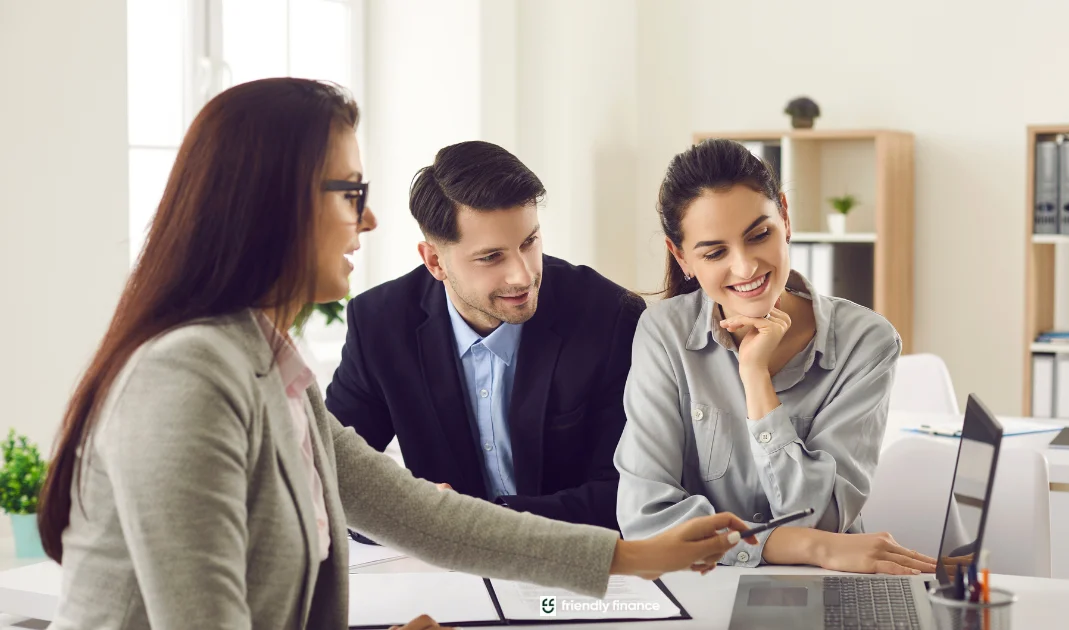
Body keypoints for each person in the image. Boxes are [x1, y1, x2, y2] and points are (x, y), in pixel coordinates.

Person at [37, 79, 755, 630]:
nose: (369, 219)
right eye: (351, 192)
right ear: (271, 204)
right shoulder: (187, 377)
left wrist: (639, 554)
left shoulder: (266, 365)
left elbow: (421, 516)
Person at [614, 138, 936, 575]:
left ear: (784, 216)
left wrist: (755, 378)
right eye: (714, 252)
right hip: (704, 588)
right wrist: (809, 546)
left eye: (759, 235)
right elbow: (647, 520)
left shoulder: (867, 341)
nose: (746, 268)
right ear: (681, 257)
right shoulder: (663, 334)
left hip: (826, 583)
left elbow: (823, 518)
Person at [325, 141, 643, 530]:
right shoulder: (380, 324)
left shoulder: (607, 315)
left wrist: (480, 522)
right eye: (491, 257)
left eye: (529, 242)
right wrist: (408, 508)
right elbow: (328, 477)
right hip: (444, 573)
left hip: (575, 563)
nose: (523, 275)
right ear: (434, 261)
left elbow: (628, 491)